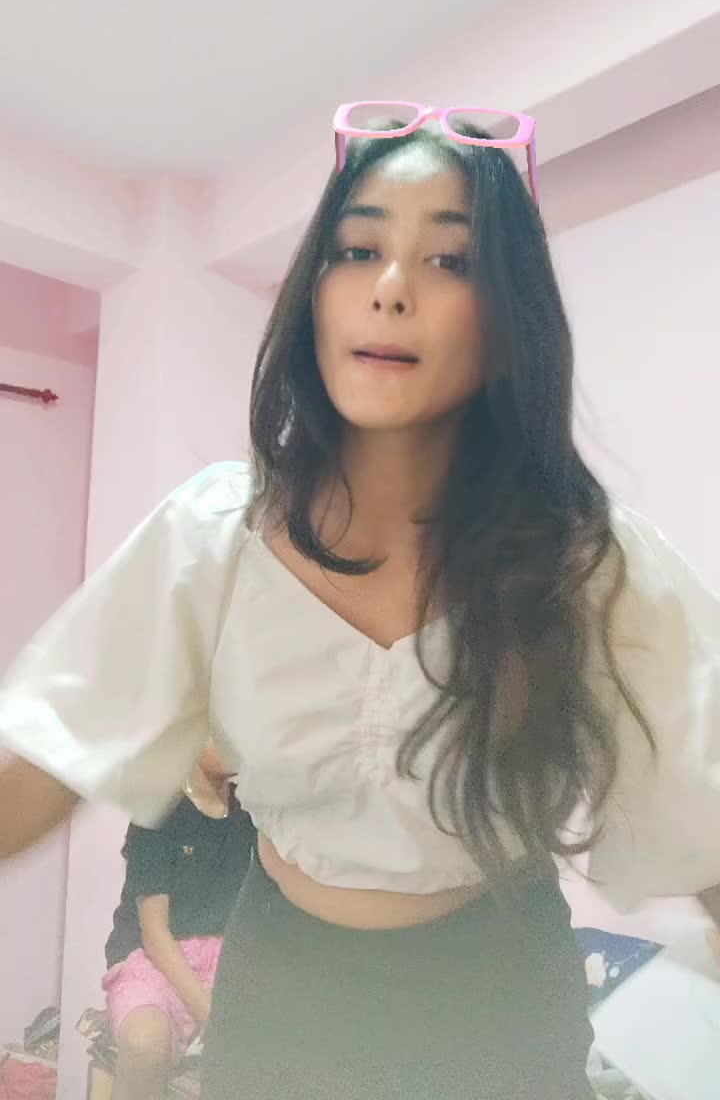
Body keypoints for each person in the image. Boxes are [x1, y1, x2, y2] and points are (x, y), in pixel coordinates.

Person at [0, 107, 719, 1099]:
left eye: (450, 261)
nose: (391, 287)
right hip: (283, 990)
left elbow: (706, 814)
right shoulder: (213, 534)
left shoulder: (588, 559)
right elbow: (41, 761)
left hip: (501, 999)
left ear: (509, 320)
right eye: (359, 249)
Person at [103, 740, 255, 1099]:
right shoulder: (158, 812)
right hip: (153, 961)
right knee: (144, 1042)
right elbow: (155, 934)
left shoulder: (250, 814)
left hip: (225, 960)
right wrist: (207, 1011)